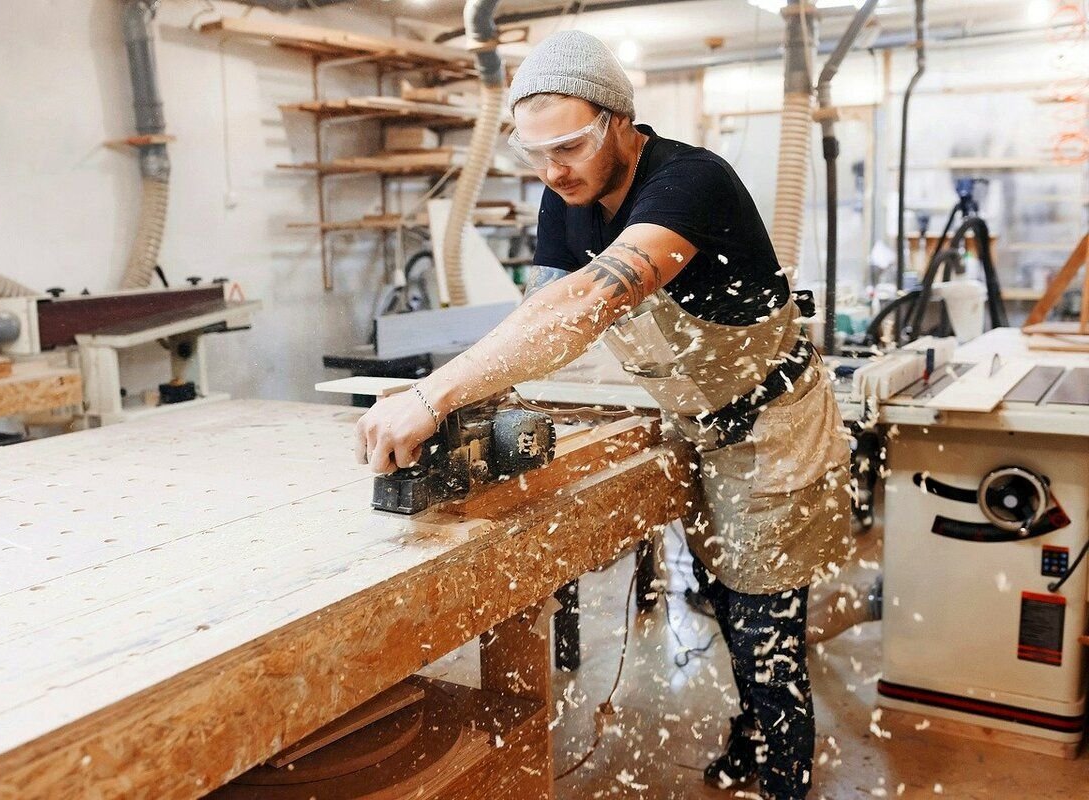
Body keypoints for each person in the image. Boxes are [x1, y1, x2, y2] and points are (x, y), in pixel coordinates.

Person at [353, 30, 852, 800]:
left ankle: (786, 776)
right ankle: (750, 736)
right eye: (536, 155)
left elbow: (587, 303)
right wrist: (481, 403)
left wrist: (430, 397)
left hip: (773, 426)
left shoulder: (691, 183)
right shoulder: (567, 195)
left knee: (767, 630)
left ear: (621, 120)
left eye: (571, 148)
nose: (553, 173)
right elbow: (544, 313)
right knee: (722, 597)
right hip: (694, 423)